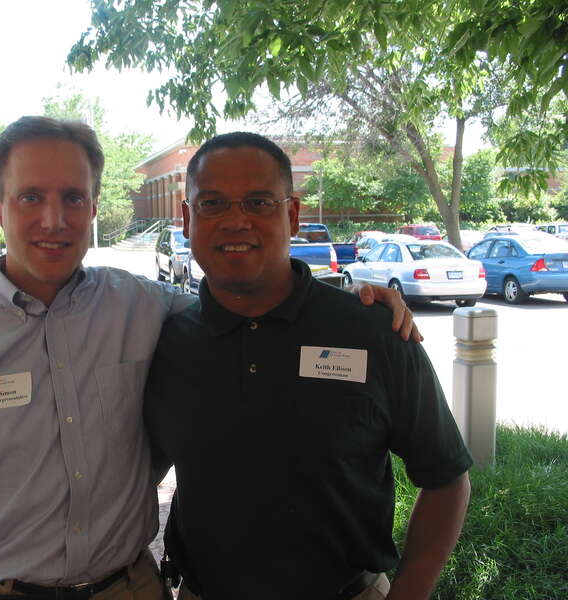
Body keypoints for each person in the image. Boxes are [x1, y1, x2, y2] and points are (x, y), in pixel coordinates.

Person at [0, 117, 418, 600]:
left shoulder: (142, 306)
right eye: (30, 197)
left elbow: (247, 305)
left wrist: (345, 302)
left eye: (72, 198)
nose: (54, 219)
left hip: (127, 587)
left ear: (92, 208)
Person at [144, 132, 473, 600]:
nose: (236, 221)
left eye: (258, 203)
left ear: (292, 215)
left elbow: (445, 478)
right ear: (187, 218)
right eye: (213, 203)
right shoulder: (164, 339)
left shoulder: (374, 332)